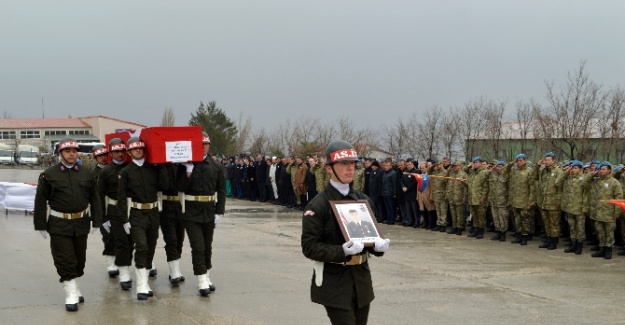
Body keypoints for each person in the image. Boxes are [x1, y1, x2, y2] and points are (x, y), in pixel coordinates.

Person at [301, 140, 390, 325]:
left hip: (361, 280)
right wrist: (342, 251)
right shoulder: (318, 205)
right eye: (343, 164)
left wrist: (378, 246)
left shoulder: (363, 201)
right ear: (329, 168)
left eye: (352, 164)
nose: (350, 168)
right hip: (335, 282)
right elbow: (309, 247)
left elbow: (367, 238)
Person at [34, 137, 102, 311]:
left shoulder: (86, 173)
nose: (71, 154)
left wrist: (97, 220)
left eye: (74, 151)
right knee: (65, 259)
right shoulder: (49, 175)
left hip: (81, 223)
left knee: (80, 261)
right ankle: (71, 293)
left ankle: (75, 286)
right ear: (60, 153)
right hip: (59, 224)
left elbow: (94, 198)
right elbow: (40, 201)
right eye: (67, 151)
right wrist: (40, 224)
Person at [177, 132, 226, 297]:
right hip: (191, 211)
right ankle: (201, 281)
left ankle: (207, 275)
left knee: (207, 246)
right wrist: (188, 171)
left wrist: (219, 211)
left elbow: (221, 190)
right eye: (201, 144)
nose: (204, 146)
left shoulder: (216, 165)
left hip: (209, 210)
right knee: (197, 246)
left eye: (206, 144)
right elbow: (180, 187)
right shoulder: (185, 165)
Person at [117, 137, 165, 300]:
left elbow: (165, 186)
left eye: (141, 148)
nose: (138, 151)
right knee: (142, 246)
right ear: (129, 152)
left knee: (151, 247)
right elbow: (121, 197)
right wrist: (124, 219)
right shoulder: (125, 172)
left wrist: (165, 165)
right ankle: (141, 285)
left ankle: (145, 281)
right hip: (136, 214)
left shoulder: (153, 169)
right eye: (135, 149)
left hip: (153, 213)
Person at [97, 138, 134, 290]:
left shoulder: (131, 168)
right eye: (117, 151)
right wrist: (103, 218)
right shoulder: (105, 171)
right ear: (111, 153)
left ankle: (126, 265)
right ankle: (124, 273)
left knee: (131, 241)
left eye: (122, 151)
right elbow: (99, 195)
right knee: (120, 242)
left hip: (131, 209)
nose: (120, 154)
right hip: (114, 210)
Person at [584, 161, 623, 259]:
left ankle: (608, 250)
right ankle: (602, 249)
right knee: (600, 233)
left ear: (609, 170)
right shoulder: (596, 181)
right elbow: (584, 184)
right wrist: (591, 175)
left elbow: (618, 199)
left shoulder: (614, 182)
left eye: (603, 169)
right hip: (598, 213)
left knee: (609, 233)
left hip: (609, 213)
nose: (601, 171)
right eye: (600, 169)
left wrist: (616, 214)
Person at [90, 144, 118, 277]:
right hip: (102, 208)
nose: (103, 158)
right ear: (95, 157)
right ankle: (110, 263)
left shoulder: (115, 169)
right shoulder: (92, 174)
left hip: (116, 207)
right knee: (108, 237)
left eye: (104, 155)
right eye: (100, 156)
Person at [158, 162, 187, 285]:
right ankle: (174, 271)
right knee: (171, 240)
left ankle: (176, 268)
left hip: (180, 206)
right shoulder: (160, 166)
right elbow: (163, 185)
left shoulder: (182, 166)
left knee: (180, 239)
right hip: (165, 207)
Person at [533, 152, 563, 250]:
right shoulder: (543, 171)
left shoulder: (558, 171)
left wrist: (558, 201)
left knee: (554, 223)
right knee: (546, 223)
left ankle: (553, 242)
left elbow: (560, 188)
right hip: (544, 202)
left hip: (553, 203)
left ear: (553, 160)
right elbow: (533, 177)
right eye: (545, 160)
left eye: (548, 160)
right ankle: (548, 240)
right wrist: (537, 166)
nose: (546, 162)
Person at [467, 156, 490, 239]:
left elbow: (486, 187)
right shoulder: (472, 173)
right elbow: (470, 185)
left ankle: (481, 231)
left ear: (480, 163)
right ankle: (476, 230)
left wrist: (483, 198)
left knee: (481, 216)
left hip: (480, 199)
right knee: (475, 216)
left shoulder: (484, 172)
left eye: (477, 162)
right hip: (472, 198)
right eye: (474, 162)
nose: (475, 164)